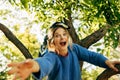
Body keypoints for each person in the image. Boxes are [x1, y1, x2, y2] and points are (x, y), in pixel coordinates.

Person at [8, 22, 120, 80]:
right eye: (57, 36)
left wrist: (106, 61)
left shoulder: (74, 49)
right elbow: (45, 63)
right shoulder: (52, 56)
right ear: (52, 42)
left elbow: (91, 56)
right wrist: (33, 65)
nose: (62, 38)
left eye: (64, 34)